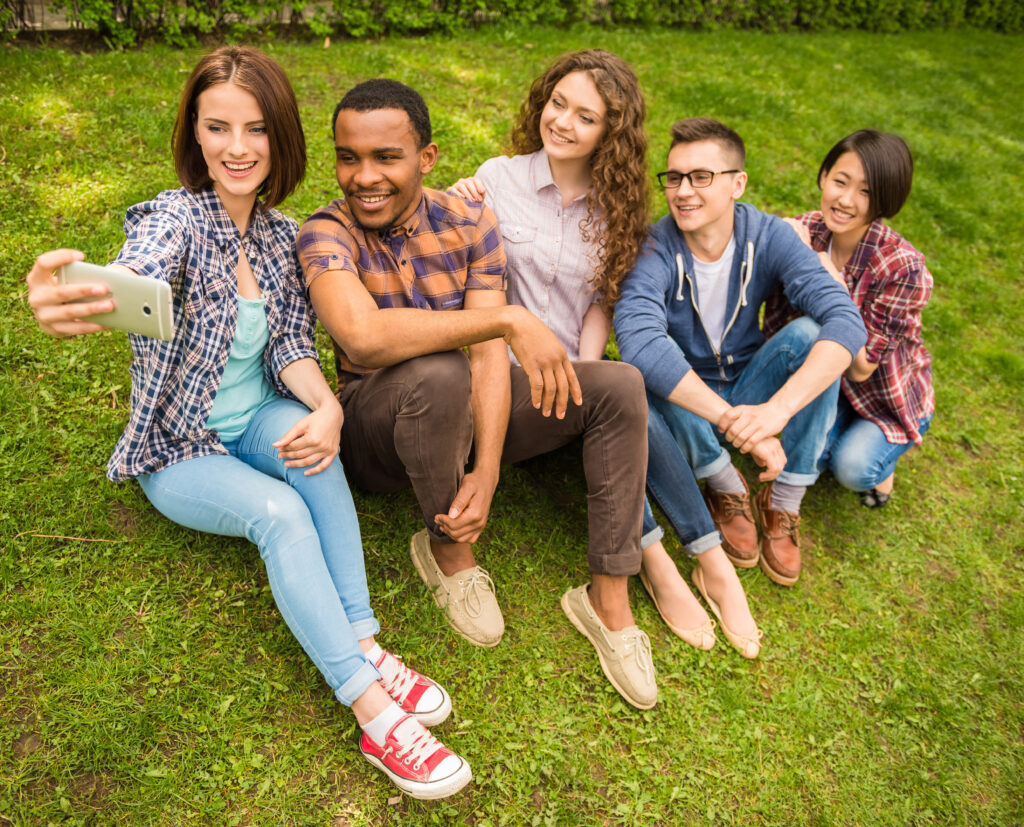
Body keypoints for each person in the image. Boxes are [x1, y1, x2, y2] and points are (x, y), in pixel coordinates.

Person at [24, 47, 470, 801]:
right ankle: (370, 708)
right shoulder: (175, 218)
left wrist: (326, 407)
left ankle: (361, 634)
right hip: (180, 444)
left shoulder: (279, 234)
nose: (237, 147)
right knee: (280, 512)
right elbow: (140, 275)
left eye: (256, 128)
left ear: (280, 137)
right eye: (217, 127)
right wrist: (84, 295)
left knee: (314, 451)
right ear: (195, 135)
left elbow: (292, 341)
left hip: (256, 416)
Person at [298, 78, 658, 709]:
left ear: (427, 159)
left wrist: (488, 468)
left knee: (618, 385)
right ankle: (448, 546)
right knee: (439, 370)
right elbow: (365, 337)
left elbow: (490, 354)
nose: (363, 176)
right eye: (348, 157)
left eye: (386, 157)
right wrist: (511, 319)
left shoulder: (469, 221)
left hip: (461, 410)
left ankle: (608, 600)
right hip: (372, 430)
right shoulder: (325, 233)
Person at [449, 51, 762, 657]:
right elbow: (467, 282)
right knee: (626, 393)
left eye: (585, 116)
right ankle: (666, 568)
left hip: (573, 379)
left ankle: (708, 559)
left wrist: (583, 370)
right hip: (505, 388)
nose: (562, 122)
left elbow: (600, 302)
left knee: (619, 387)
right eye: (557, 103)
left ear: (610, 134)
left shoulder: (617, 206)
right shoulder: (497, 180)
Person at [615, 117, 867, 589]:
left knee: (814, 334)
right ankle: (725, 483)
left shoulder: (771, 236)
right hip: (688, 398)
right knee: (648, 362)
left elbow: (846, 322)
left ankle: (783, 500)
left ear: (738, 183)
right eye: (674, 177)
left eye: (701, 177)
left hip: (750, 380)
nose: (683, 191)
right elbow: (639, 342)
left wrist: (777, 411)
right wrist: (737, 425)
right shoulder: (652, 247)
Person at [763, 130, 933, 508]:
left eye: (866, 192)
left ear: (886, 200)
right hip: (826, 384)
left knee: (852, 468)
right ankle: (831, 432)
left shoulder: (903, 268)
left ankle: (881, 466)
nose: (845, 200)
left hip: (881, 395)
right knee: (807, 454)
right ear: (824, 176)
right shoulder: (803, 231)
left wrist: (834, 288)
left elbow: (859, 370)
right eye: (840, 181)